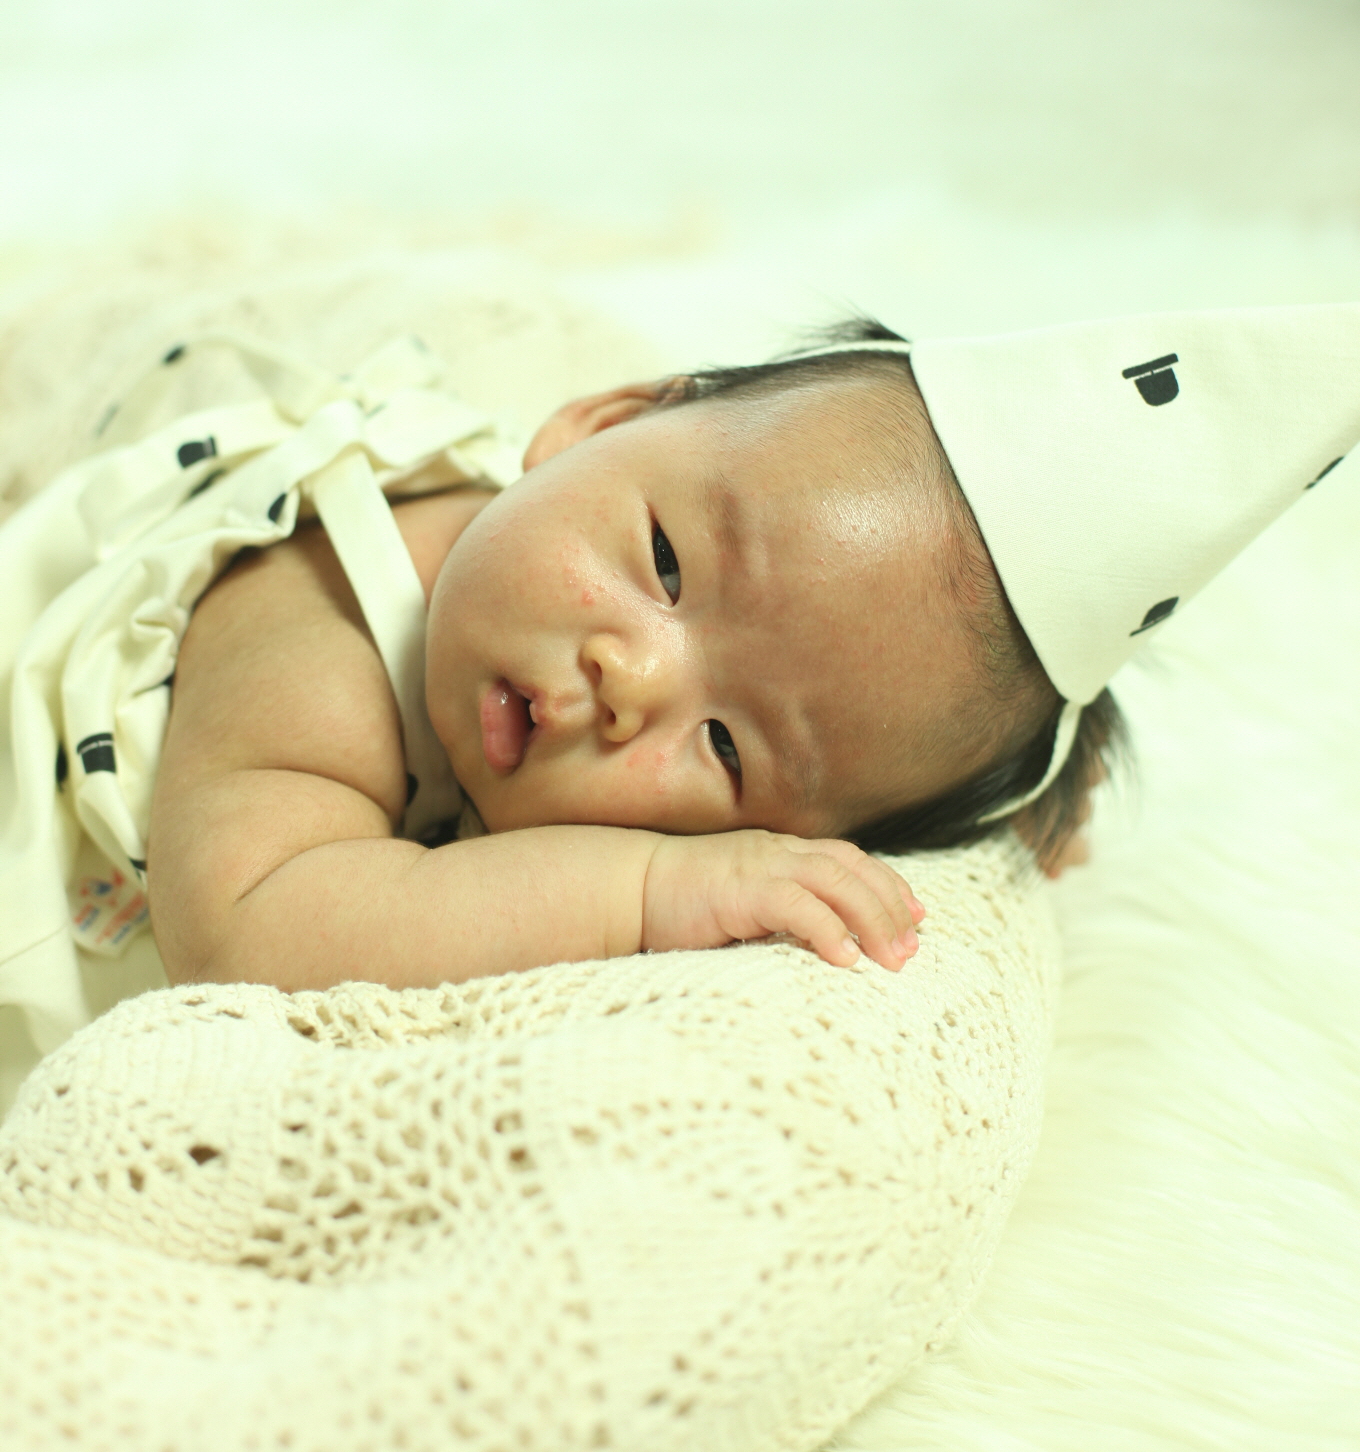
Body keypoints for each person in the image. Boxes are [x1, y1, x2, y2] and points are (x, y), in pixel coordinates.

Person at [5, 301, 1353, 1049]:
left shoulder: (562, 635)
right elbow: (256, 939)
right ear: (600, 421)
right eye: (661, 560)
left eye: (726, 749)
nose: (632, 677)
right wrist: (652, 889)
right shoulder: (330, 612)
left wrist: (1012, 810)